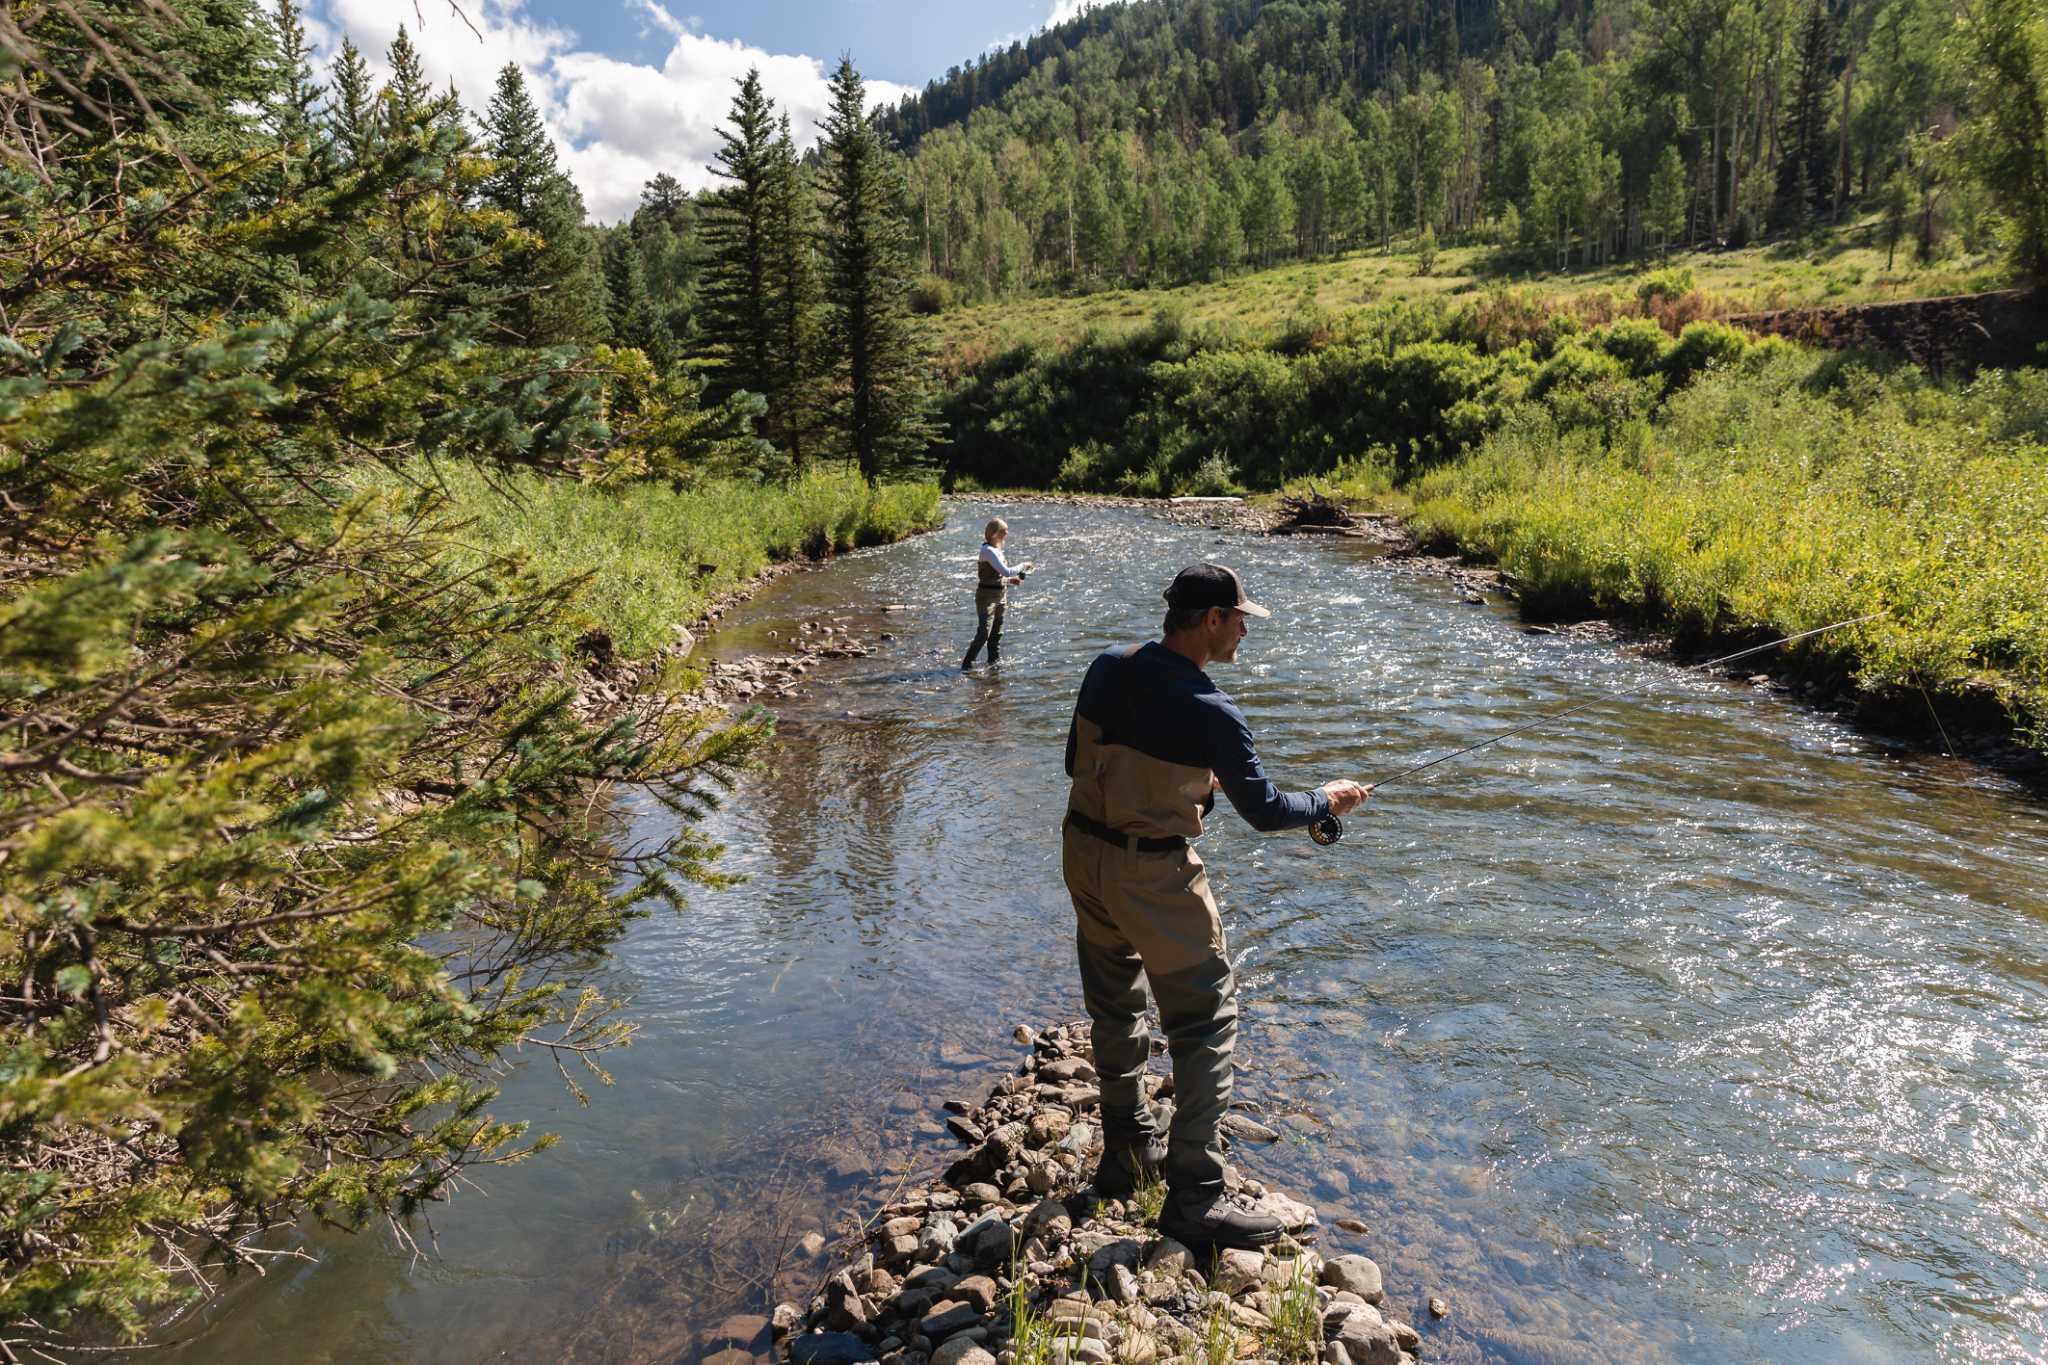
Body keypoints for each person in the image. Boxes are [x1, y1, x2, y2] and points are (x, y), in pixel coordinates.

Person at [1060, 563, 1370, 1249]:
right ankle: (1194, 1195)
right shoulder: (1213, 709)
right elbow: (1263, 811)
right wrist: (1326, 800)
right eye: (1240, 619)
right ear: (1210, 621)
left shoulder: (1107, 665)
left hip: (1082, 850)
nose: (1244, 632)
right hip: (1153, 870)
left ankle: (1125, 1149)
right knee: (1206, 1016)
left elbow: (1072, 761)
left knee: (1115, 1000)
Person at [962, 517, 1032, 669]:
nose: (1005, 536)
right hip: (986, 598)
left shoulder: (997, 551)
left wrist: (1011, 581)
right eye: (1003, 533)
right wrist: (1023, 565)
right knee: (983, 634)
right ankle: (966, 666)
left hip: (1001, 596)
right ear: (994, 534)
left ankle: (994, 665)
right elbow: (1006, 571)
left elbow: (998, 576)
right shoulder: (987, 550)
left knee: (996, 634)